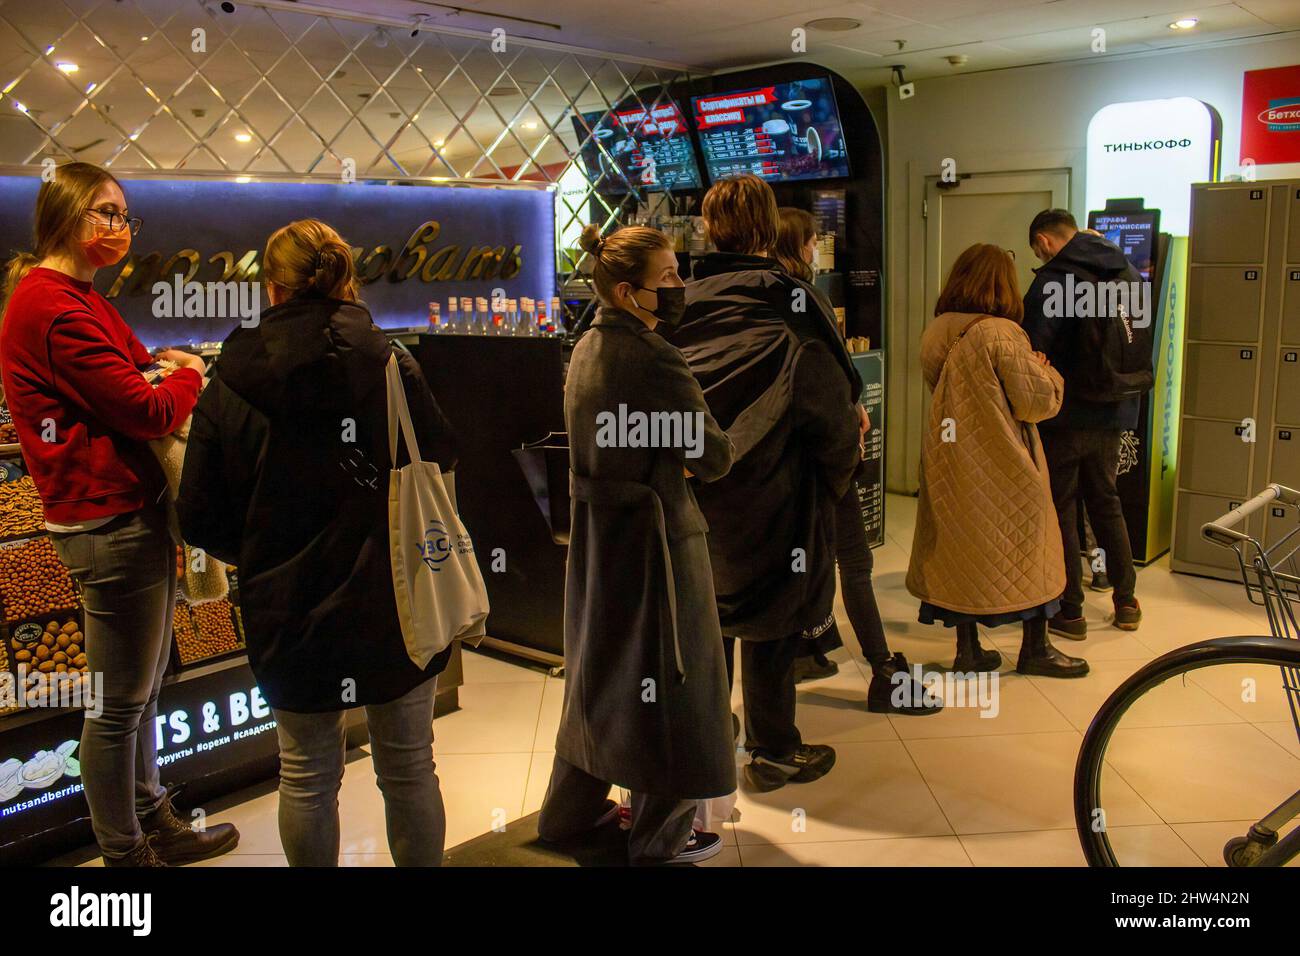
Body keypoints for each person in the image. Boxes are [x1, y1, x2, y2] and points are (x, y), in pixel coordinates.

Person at [177, 219, 455, 866]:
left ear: (272, 289)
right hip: (399, 600)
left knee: (305, 775)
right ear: (345, 279)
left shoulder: (231, 382)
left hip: (287, 608)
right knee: (411, 767)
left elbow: (197, 516)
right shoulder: (392, 363)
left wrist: (261, 553)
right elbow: (441, 461)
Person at [0, 162, 238, 866]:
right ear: (67, 215)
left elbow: (137, 373)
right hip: (106, 524)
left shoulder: (78, 297)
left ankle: (151, 817)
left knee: (140, 691)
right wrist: (191, 371)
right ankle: (127, 852)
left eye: (126, 216)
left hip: (128, 517)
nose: (121, 228)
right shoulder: (51, 305)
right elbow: (145, 406)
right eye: (106, 212)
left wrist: (162, 374)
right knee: (116, 706)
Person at [537, 223, 736, 866]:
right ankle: (660, 839)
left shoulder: (587, 344)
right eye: (670, 277)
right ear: (629, 292)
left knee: (602, 679)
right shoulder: (654, 357)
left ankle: (568, 814)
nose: (681, 286)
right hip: (659, 544)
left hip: (600, 541)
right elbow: (714, 458)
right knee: (675, 684)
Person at [673, 175, 861, 792]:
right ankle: (775, 748)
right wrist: (832, 482)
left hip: (695, 486)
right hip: (775, 489)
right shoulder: (792, 301)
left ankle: (707, 734)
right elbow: (831, 409)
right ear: (768, 227)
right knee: (773, 622)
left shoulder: (679, 298)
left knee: (707, 616)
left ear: (707, 225)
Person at [774, 206, 941, 715]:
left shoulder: (756, 304)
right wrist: (851, 413)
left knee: (802, 559)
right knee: (856, 561)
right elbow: (839, 376)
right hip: (827, 453)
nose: (814, 249)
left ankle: (803, 649)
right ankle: (884, 672)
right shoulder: (806, 300)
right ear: (800, 247)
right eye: (810, 241)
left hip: (780, 459)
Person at [907, 243, 1088, 679]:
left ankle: (968, 652)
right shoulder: (1002, 333)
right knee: (1029, 548)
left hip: (952, 461)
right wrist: (1045, 370)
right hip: (1005, 461)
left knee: (960, 550)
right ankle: (1037, 649)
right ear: (1003, 285)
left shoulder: (938, 330)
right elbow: (1035, 404)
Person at [1022, 209, 1142, 638]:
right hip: (1116, 409)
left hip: (1067, 415)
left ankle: (1070, 611)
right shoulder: (1128, 272)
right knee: (1107, 501)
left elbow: (1031, 346)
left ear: (1044, 240)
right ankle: (1126, 601)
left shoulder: (1055, 279)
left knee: (1063, 507)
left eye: (1036, 248)